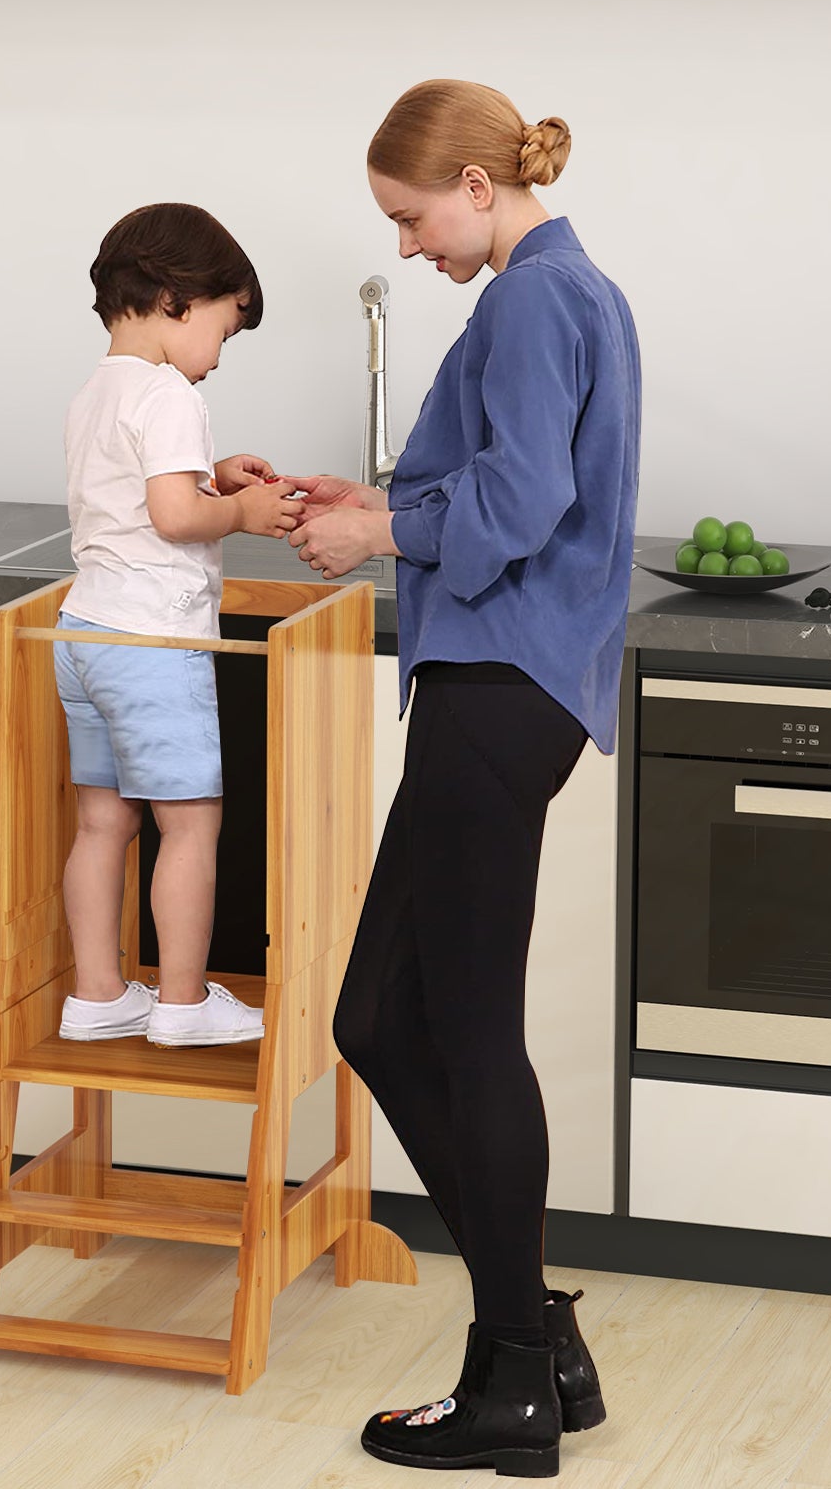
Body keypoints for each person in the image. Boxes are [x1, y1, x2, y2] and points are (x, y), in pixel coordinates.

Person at [286, 80, 641, 1479]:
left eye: (413, 216)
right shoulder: (556, 290)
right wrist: (372, 507)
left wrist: (382, 535)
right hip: (503, 689)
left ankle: (510, 1385)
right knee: (380, 1014)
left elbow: (519, 505)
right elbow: (496, 484)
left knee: (468, 1027)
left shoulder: (535, 301)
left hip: (500, 688)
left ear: (479, 187)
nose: (412, 244)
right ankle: (538, 1337)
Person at [54, 202, 302, 1050]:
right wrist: (241, 510)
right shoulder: (168, 392)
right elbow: (172, 515)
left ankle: (97, 996)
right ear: (175, 299)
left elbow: (140, 492)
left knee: (102, 823)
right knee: (190, 824)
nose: (218, 360)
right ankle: (185, 1002)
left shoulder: (98, 388)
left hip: (83, 632)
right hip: (153, 643)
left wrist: (214, 477)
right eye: (225, 334)